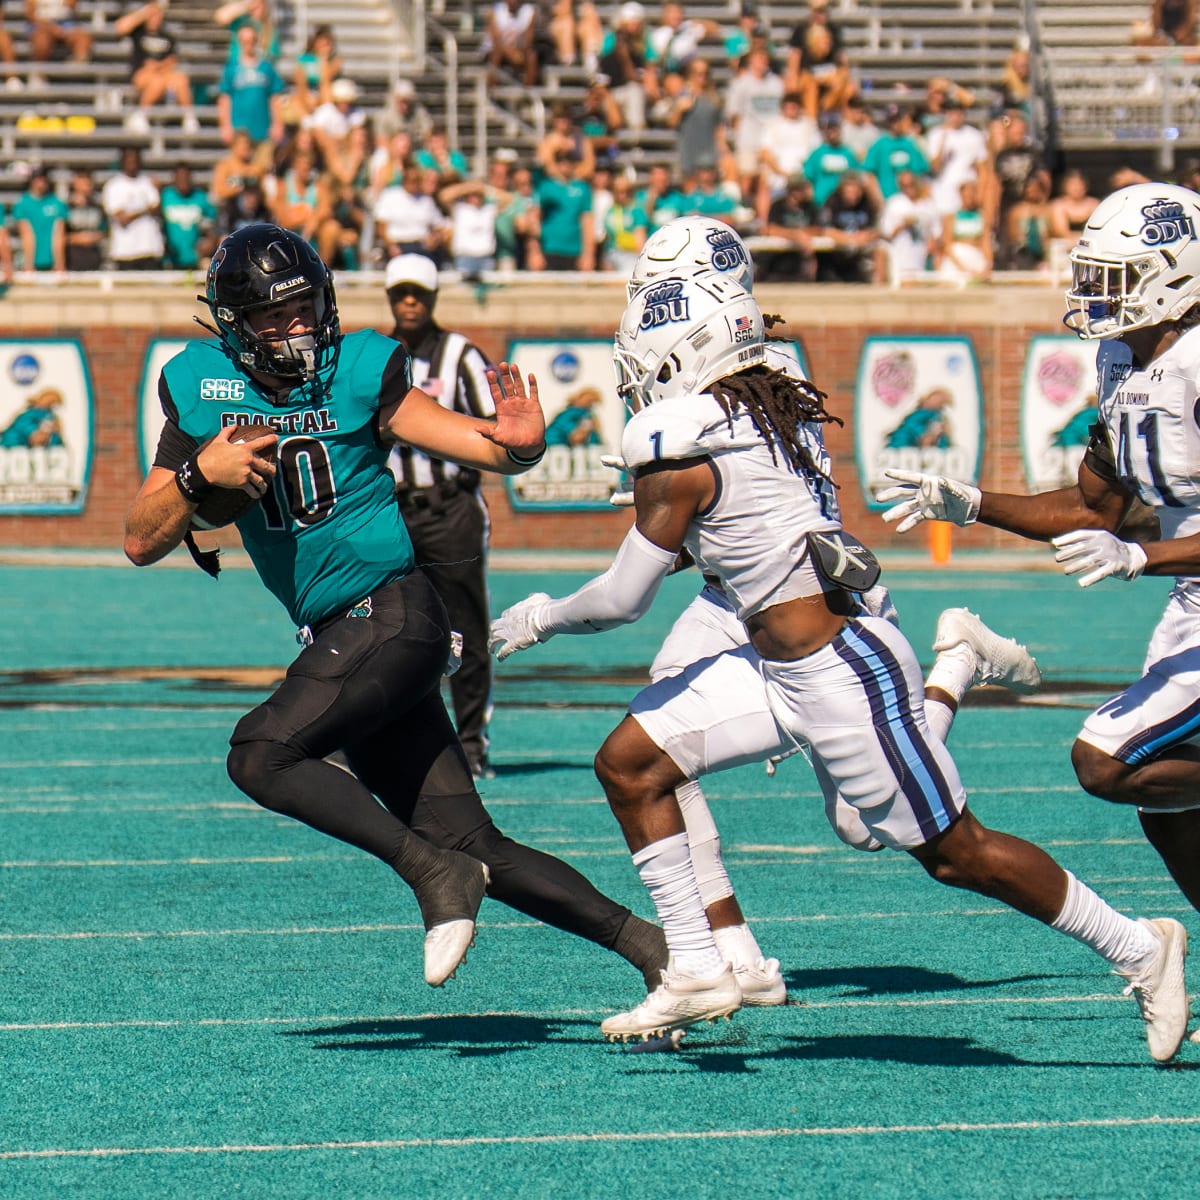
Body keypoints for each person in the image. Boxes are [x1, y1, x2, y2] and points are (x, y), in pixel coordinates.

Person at [489, 264, 1189, 1058]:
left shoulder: (684, 440)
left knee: (957, 854)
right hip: (771, 661)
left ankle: (1140, 948)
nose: (635, 373)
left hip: (840, 669)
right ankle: (692, 965)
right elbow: (740, 537)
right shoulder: (768, 398)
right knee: (630, 763)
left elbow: (622, 600)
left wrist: (541, 615)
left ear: (684, 348)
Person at [124, 222, 669, 996]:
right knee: (480, 840)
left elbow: (479, 444)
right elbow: (141, 539)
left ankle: (432, 874)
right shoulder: (201, 386)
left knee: (260, 753)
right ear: (235, 327)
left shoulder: (361, 367)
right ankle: (664, 953)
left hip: (392, 612)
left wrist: (518, 445)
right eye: (273, 318)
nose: (297, 328)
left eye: (306, 306)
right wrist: (192, 479)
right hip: (353, 633)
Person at [878, 178, 1200, 980]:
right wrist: (973, 502)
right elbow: (1096, 507)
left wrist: (1144, 556)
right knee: (1171, 813)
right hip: (1189, 599)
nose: (1096, 294)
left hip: (1185, 585)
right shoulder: (1124, 358)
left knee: (1106, 759)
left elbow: (1125, 539)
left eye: (1115, 277)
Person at [378, 254, 499, 778]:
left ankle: (471, 741)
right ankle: (379, 740)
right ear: (390, 297)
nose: (410, 302)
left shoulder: (460, 356)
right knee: (385, 628)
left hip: (449, 507)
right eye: (401, 293)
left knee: (466, 629)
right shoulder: (374, 357)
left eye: (418, 293)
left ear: (432, 298)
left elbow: (494, 427)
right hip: (391, 512)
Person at [113, 0, 199, 136]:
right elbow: (120, 27)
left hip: (163, 73)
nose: (156, 17)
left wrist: (158, 66)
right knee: (156, 82)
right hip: (142, 74)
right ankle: (141, 115)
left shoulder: (168, 37)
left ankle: (188, 117)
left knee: (181, 79)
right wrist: (144, 12)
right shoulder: (138, 32)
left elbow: (172, 61)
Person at [101, 147, 165, 270]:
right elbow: (122, 218)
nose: (132, 163)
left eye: (135, 160)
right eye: (128, 160)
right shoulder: (113, 186)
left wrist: (159, 192)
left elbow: (156, 210)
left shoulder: (149, 183)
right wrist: (145, 209)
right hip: (125, 252)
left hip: (149, 249)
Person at [160, 164, 216, 270]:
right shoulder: (166, 196)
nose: (183, 181)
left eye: (186, 177)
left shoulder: (200, 197)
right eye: (180, 178)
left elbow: (213, 221)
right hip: (171, 259)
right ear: (174, 179)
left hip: (196, 259)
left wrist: (210, 240)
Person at [12, 167, 67, 273]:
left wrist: (60, 263)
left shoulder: (57, 203)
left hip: (51, 262)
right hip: (29, 262)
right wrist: (28, 264)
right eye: (38, 179)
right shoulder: (23, 204)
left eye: (43, 179)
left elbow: (59, 235)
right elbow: (26, 235)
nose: (40, 183)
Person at [64, 168, 106, 271]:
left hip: (94, 257)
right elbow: (60, 234)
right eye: (83, 181)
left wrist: (94, 237)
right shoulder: (66, 207)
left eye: (88, 181)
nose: (87, 184)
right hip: (72, 259)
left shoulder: (97, 207)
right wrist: (78, 238)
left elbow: (105, 230)